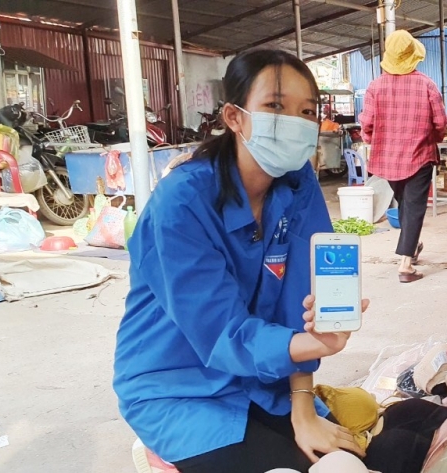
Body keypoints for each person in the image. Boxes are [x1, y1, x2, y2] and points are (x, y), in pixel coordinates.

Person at [113, 49, 368, 473]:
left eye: (307, 111)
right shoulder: (182, 202)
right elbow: (218, 332)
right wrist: (303, 345)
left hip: (260, 379)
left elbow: (301, 299)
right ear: (234, 116)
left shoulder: (297, 182)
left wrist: (302, 407)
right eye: (274, 106)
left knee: (349, 461)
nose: (295, 122)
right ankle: (160, 456)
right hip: (178, 388)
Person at [359, 30, 447, 283]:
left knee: (406, 204)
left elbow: (367, 124)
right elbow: (440, 122)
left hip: (388, 160)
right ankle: (406, 265)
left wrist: (373, 141)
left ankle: (413, 245)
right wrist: (434, 138)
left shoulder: (376, 86)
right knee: (413, 206)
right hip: (419, 155)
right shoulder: (427, 85)